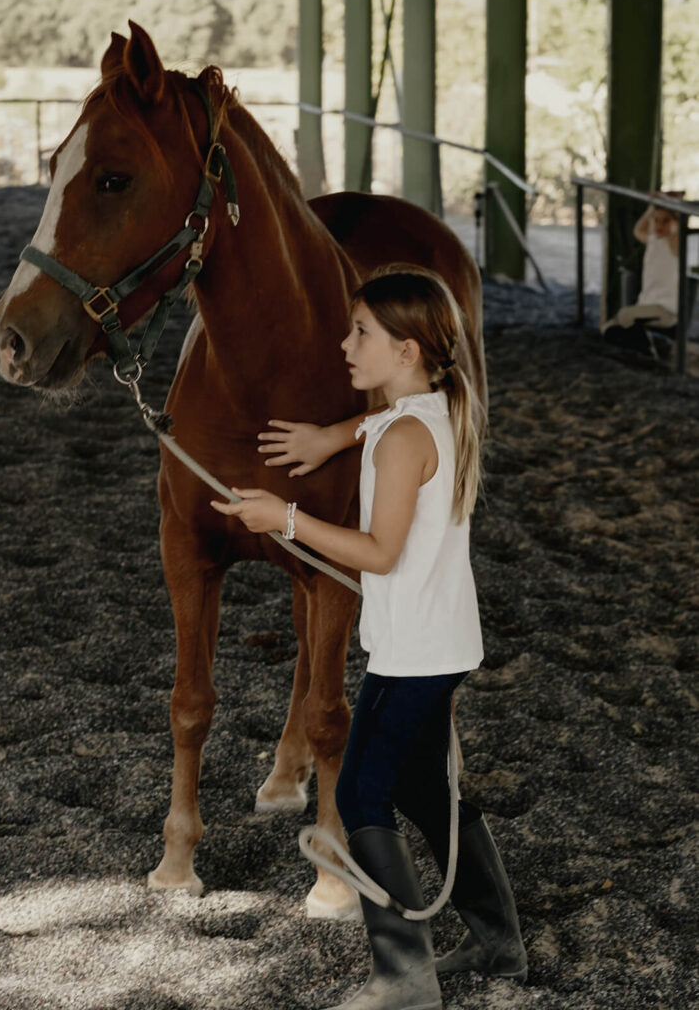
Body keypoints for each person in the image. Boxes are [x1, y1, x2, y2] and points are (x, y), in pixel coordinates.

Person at [211, 267, 527, 1010]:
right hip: (441, 637)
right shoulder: (437, 405)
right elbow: (384, 421)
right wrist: (332, 434)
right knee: (420, 785)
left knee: (360, 792)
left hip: (414, 650)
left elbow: (379, 552)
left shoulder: (401, 440)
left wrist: (281, 519)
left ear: (408, 350)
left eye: (362, 334)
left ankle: (405, 978)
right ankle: (497, 940)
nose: (344, 344)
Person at [601, 192, 682, 356]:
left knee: (625, 315)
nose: (659, 226)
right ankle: (652, 345)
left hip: (665, 310)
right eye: (656, 220)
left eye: (665, 221)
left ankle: (651, 348)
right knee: (607, 329)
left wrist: (671, 203)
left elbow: (678, 229)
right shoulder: (654, 241)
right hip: (647, 306)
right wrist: (651, 208)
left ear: (674, 223)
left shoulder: (674, 244)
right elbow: (638, 230)